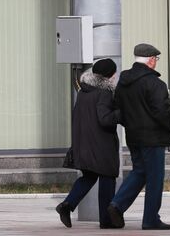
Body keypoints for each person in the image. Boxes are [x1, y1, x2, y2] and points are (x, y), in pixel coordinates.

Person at [107, 43, 170, 230]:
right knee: (154, 178)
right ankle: (150, 219)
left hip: (133, 136)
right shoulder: (155, 84)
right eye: (156, 59)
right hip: (153, 138)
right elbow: (162, 111)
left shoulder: (123, 82)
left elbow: (118, 109)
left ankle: (117, 205)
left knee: (140, 171)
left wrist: (130, 124)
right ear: (151, 60)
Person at [56, 58, 121, 229]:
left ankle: (67, 205)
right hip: (101, 144)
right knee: (107, 178)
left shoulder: (84, 92)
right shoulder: (105, 93)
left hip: (83, 143)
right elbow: (105, 119)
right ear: (110, 75)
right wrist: (120, 113)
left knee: (89, 177)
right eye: (114, 73)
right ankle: (106, 220)